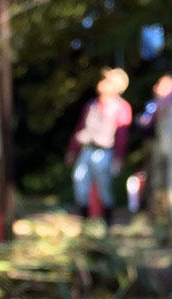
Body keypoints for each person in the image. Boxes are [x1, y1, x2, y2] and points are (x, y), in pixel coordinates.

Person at [66, 68, 132, 226]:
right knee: (79, 180)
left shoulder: (121, 107)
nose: (101, 83)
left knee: (104, 187)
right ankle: (85, 222)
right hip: (86, 149)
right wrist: (72, 149)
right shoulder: (91, 105)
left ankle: (107, 223)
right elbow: (80, 128)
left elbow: (122, 135)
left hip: (104, 152)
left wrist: (118, 157)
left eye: (106, 81)